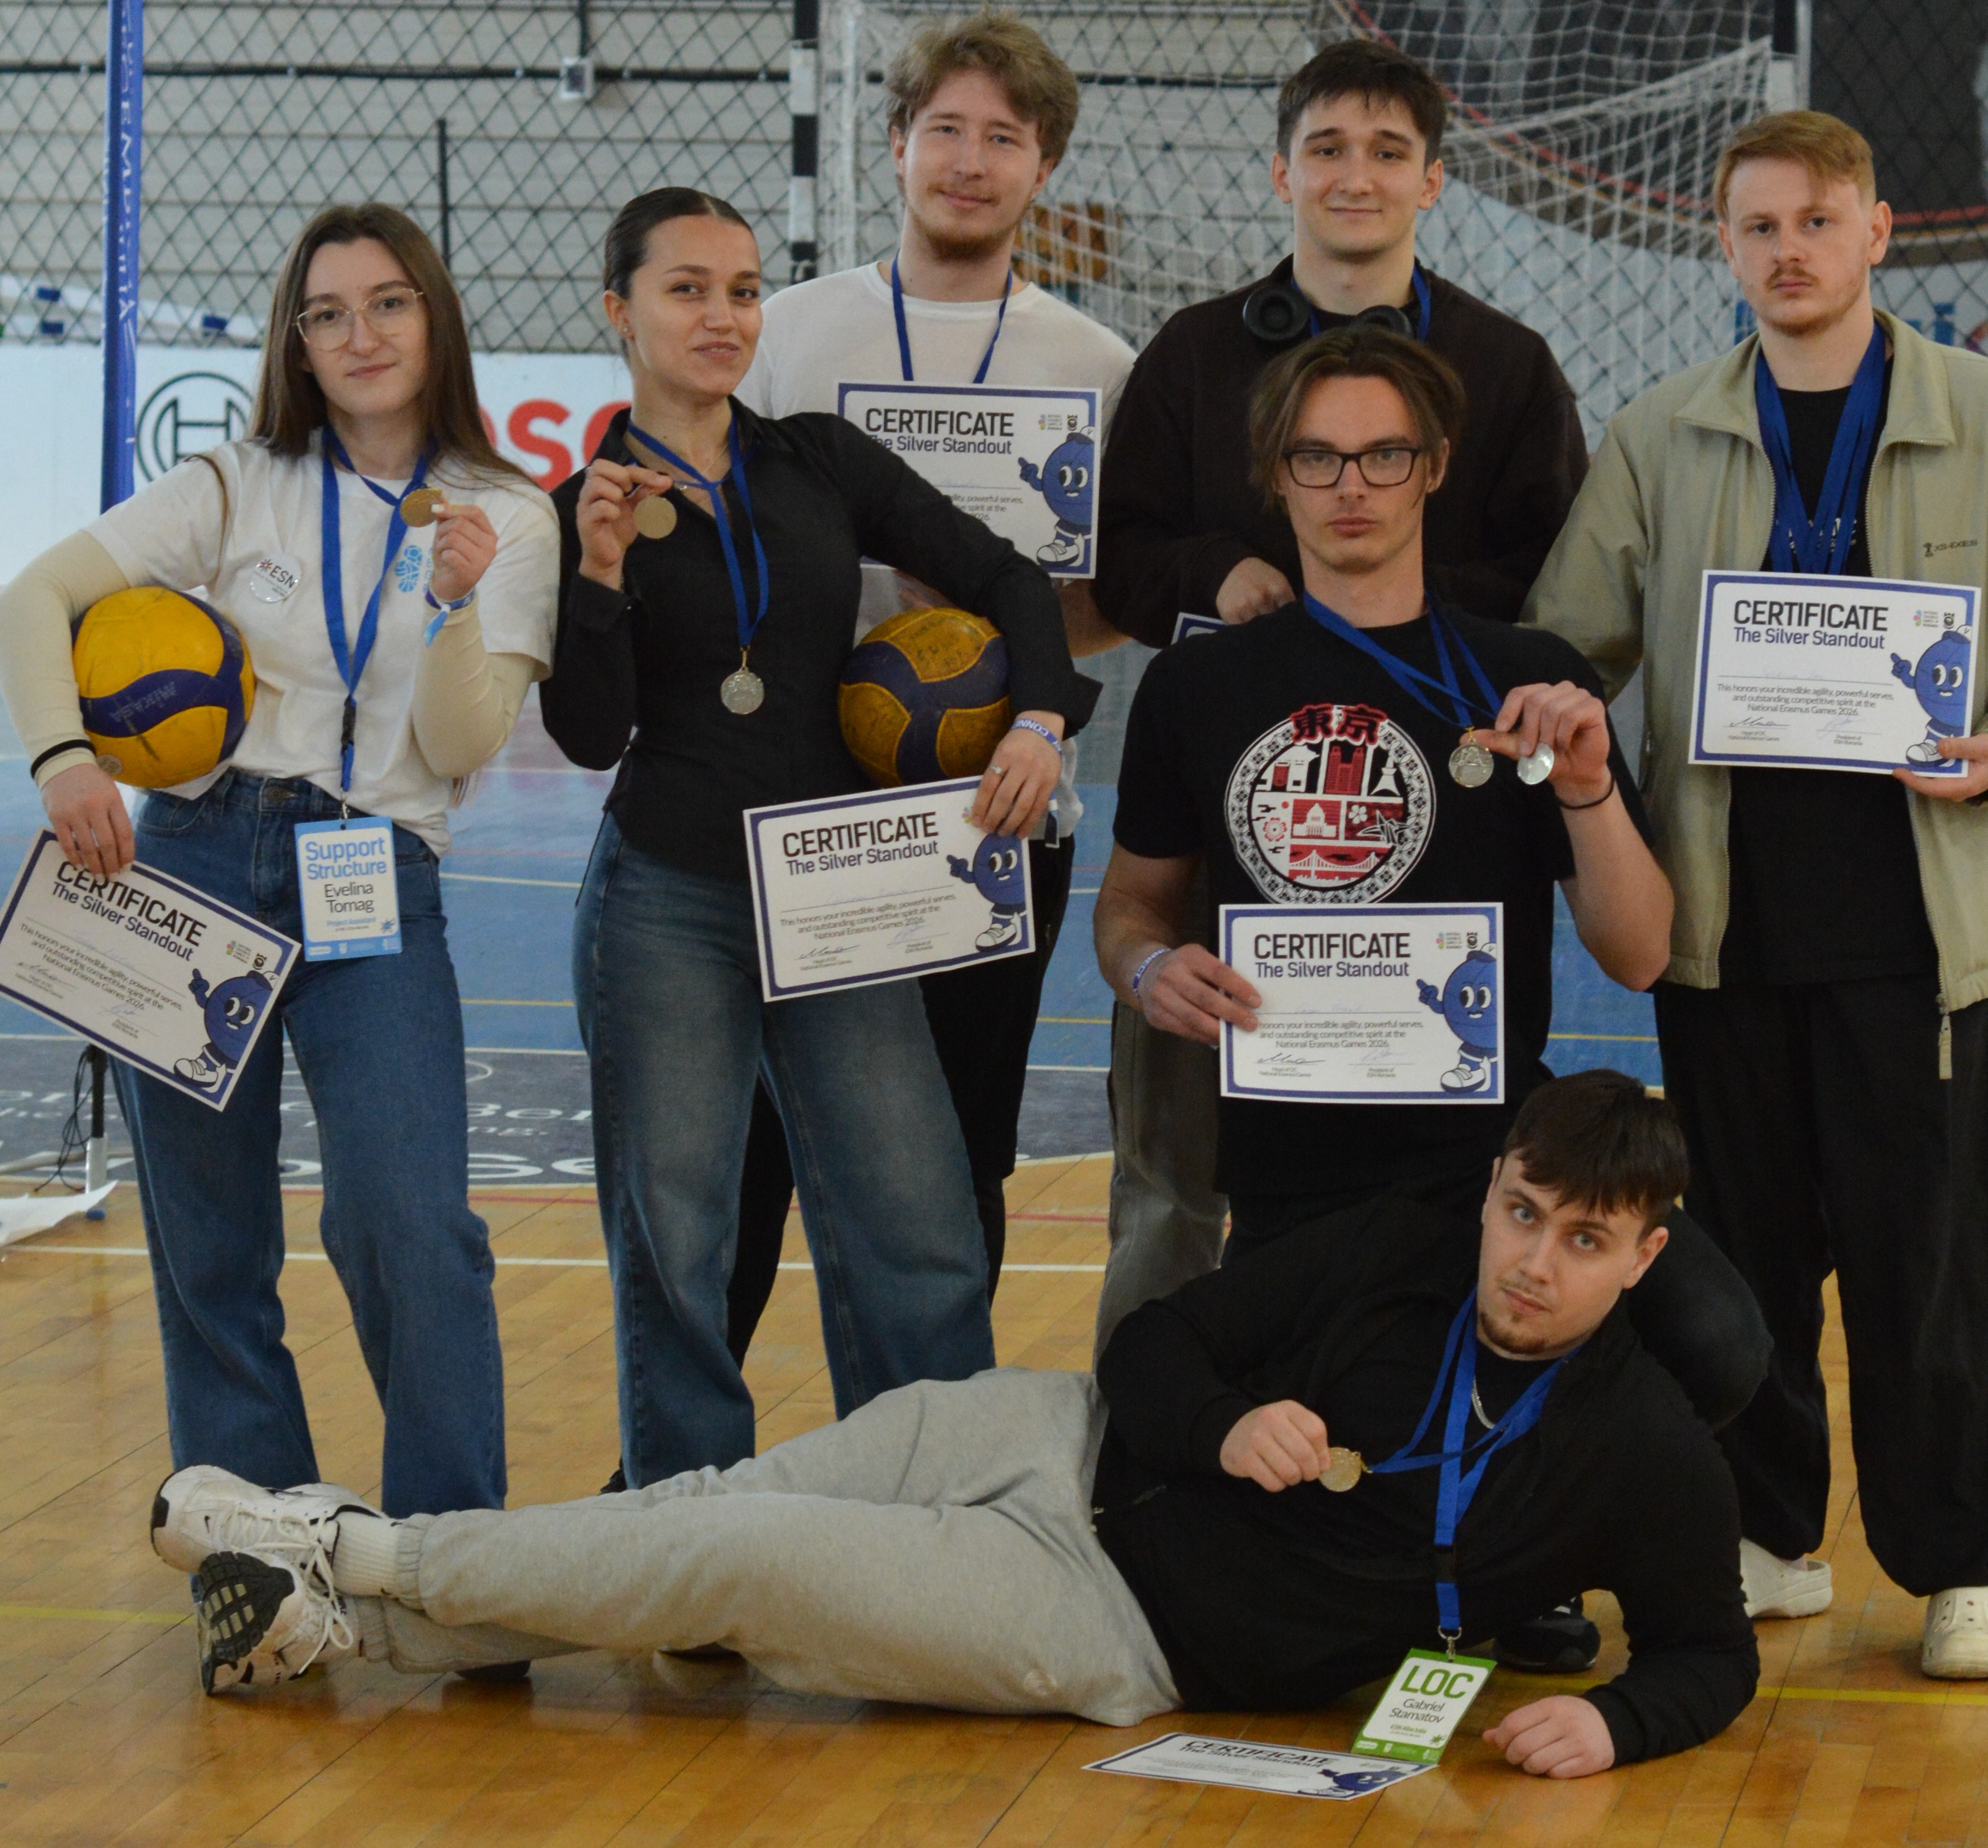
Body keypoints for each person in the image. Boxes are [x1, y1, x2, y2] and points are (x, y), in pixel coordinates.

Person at [150, 1070, 1761, 1779]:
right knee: (688, 1522)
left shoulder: (1643, 1450)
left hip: (1109, 1621)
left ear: (1646, 1252)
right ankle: (360, 1624)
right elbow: (1164, 1340)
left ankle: (345, 1544)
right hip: (1053, 1439)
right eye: (1526, 1213)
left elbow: (1714, 1649)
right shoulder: (1406, 1237)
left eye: (1585, 1242)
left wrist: (1619, 1725)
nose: (1536, 1264)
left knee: (722, 1549)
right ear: (1496, 1187)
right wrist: (1219, 1423)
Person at [1523, 111, 1988, 1678]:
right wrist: (1558, 734)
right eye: (1756, 226)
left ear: (1876, 231)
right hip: (1718, 924)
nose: (1786, 251)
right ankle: (1768, 1533)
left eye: (1815, 221)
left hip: (1912, 927)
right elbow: (1564, 641)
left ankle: (1960, 1564)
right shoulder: (1662, 432)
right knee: (1733, 1243)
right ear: (1721, 246)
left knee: (1921, 1255)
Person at [1095, 324, 1769, 1671]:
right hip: (1296, 1187)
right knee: (1286, 1416)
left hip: (1487, 1172)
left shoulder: (1524, 680)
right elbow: (1130, 910)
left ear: (1432, 468)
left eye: (1382, 454)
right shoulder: (1200, 685)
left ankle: (1528, 1557)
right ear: (1272, 477)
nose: (1351, 483)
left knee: (1713, 1334)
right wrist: (1146, 971)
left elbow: (1639, 953)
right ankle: (1449, 1574)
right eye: (1317, 456)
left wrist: (1579, 782)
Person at [0, 203, 560, 1526]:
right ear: (295, 342)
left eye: (387, 303)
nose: (359, 334)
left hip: (377, 871)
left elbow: (460, 739)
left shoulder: (510, 513)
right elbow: (31, 599)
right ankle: (259, 1549)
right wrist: (61, 760)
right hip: (192, 860)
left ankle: (448, 1557)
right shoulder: (237, 483)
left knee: (408, 1224)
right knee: (209, 1245)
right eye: (326, 312)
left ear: (435, 315)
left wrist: (456, 601)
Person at [543, 188, 1097, 1491]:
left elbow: (1013, 579)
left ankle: (939, 1507)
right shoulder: (583, 503)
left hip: (838, 892)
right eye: (686, 289)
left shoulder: (818, 461)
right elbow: (587, 731)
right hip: (666, 897)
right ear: (618, 312)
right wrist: (599, 575)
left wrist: (1038, 719)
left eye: (741, 289)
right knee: (675, 1238)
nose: (722, 316)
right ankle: (689, 1537)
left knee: (918, 1221)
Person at [1089, 39, 1590, 1371]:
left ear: (1431, 178)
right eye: (1325, 149)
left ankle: (1437, 1449)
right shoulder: (1195, 353)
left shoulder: (1508, 363)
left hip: (1437, 838)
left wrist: (1377, 627)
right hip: (1232, 825)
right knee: (1174, 1166)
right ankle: (1149, 1452)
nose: (1352, 176)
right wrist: (1224, 572)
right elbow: (1120, 551)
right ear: (1279, 172)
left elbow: (1555, 578)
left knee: (1428, 1178)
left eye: (1383, 151)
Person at [718, 11, 1134, 1356]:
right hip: (802, 808)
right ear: (895, 146)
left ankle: (935, 1433)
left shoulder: (1095, 367)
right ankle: (677, 1461)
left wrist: (987, 652)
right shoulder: (785, 335)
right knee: (754, 1156)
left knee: (960, 1158)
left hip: (996, 817)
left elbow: (1114, 602)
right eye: (943, 129)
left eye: (1001, 138)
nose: (968, 160)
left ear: (1042, 168)